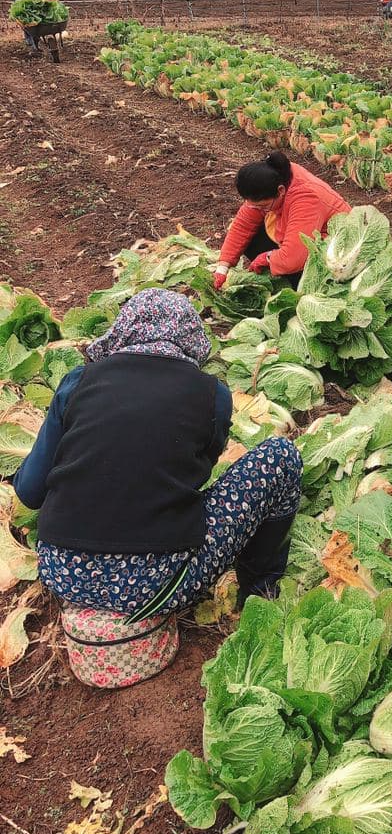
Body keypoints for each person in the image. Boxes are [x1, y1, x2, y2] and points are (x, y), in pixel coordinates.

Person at [12, 289, 303, 617]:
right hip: (163, 585)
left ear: (124, 328)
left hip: (64, 574)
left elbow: (29, 491)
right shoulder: (213, 395)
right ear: (190, 337)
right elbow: (199, 472)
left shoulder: (78, 381)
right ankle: (260, 594)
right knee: (281, 455)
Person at [214, 150, 350, 290]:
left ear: (281, 191)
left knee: (291, 264)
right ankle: (284, 277)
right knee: (250, 237)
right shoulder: (275, 176)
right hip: (304, 234)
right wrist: (222, 267)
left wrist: (268, 257)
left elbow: (294, 258)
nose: (259, 209)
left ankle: (299, 286)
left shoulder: (306, 197)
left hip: (335, 251)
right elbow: (243, 225)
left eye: (263, 206)